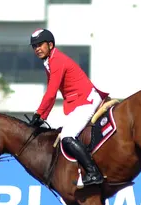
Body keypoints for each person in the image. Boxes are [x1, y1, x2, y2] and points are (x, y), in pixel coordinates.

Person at [29, 28, 108, 186]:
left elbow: (51, 93)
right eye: (34, 46)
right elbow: (52, 93)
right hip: (79, 102)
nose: (37, 48)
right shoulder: (49, 62)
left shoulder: (56, 61)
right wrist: (42, 116)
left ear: (50, 45)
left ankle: (93, 173)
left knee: (67, 136)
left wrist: (38, 115)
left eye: (40, 45)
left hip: (86, 100)